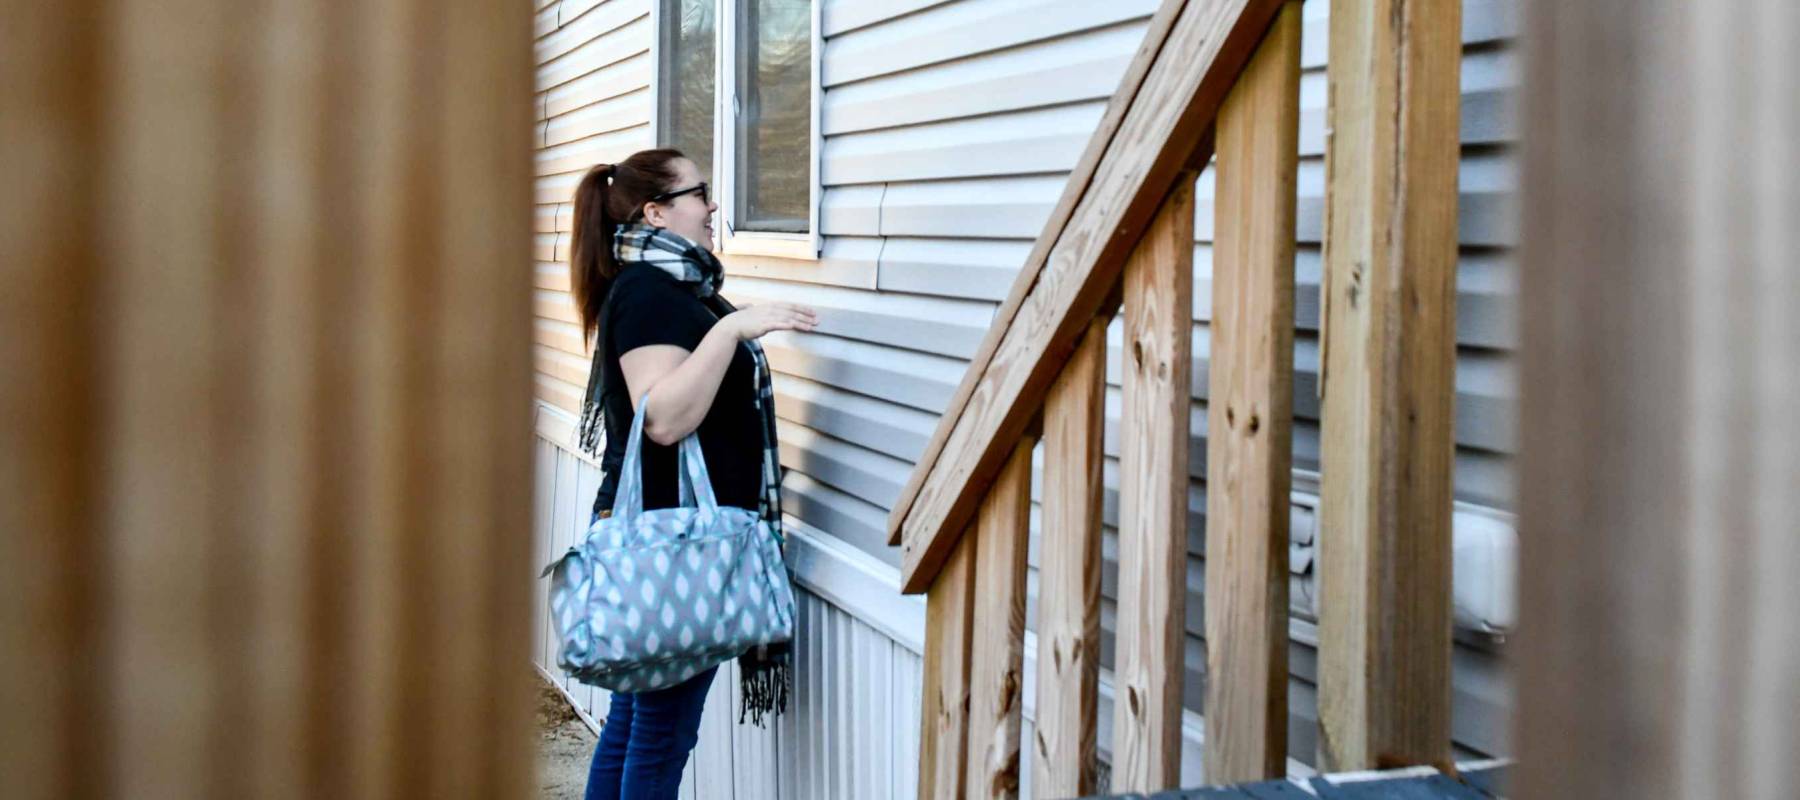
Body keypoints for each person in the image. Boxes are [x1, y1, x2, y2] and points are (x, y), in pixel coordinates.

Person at [567, 148, 817, 800]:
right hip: (675, 548)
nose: (712, 207)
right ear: (656, 211)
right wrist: (731, 330)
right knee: (658, 737)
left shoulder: (673, 287)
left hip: (672, 541)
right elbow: (664, 417)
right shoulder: (649, 293)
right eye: (700, 193)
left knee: (635, 725)